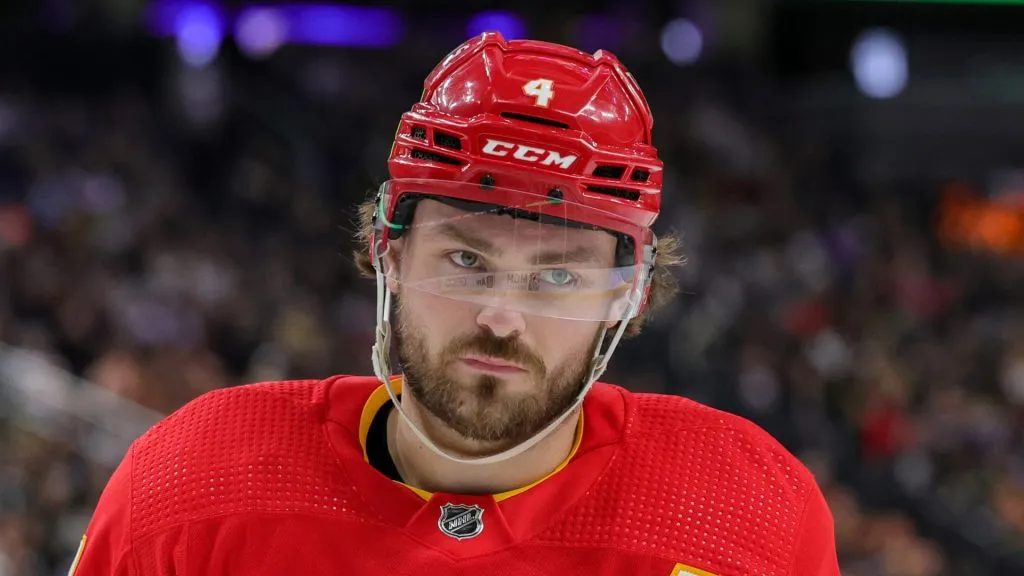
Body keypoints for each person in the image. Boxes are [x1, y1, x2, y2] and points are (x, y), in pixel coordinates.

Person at [72, 32, 839, 576]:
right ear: (390, 253)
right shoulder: (192, 480)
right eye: (468, 260)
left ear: (629, 299)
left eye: (559, 277)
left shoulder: (746, 513)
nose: (501, 315)